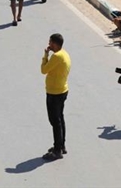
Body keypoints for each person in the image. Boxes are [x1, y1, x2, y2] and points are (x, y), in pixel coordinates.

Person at [41, 33, 71, 161]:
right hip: (62, 90)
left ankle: (57, 150)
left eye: (50, 42)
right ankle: (61, 145)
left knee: (54, 121)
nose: (49, 45)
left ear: (55, 44)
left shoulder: (56, 56)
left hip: (54, 93)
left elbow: (43, 70)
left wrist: (45, 55)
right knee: (60, 118)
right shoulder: (65, 54)